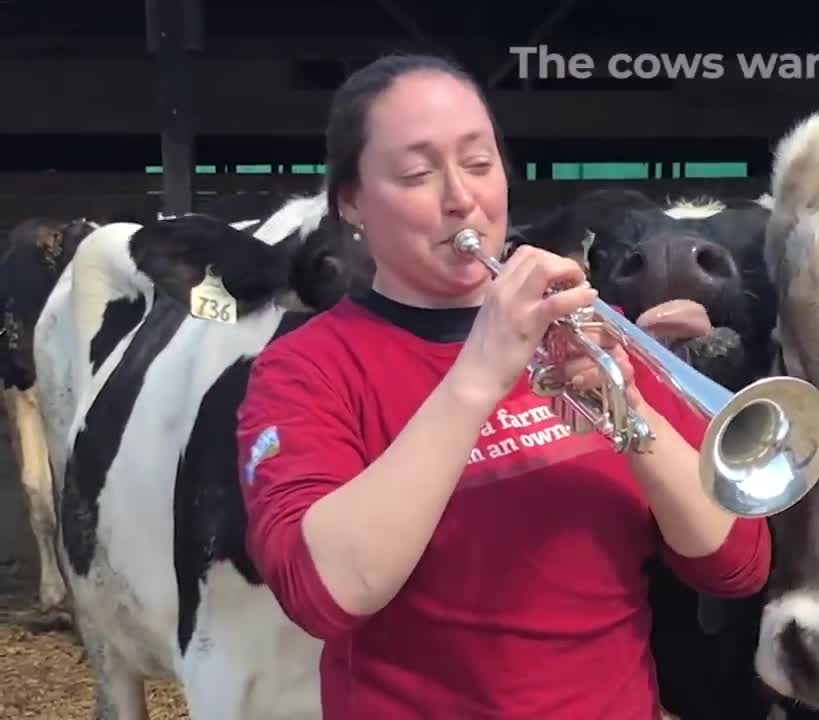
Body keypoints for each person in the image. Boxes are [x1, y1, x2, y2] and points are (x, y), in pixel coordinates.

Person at [234, 52, 772, 719]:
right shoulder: (306, 368)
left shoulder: (589, 333)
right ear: (352, 203)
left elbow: (736, 564)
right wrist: (477, 375)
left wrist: (631, 409)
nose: (461, 197)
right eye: (416, 173)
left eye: (479, 164)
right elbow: (321, 591)